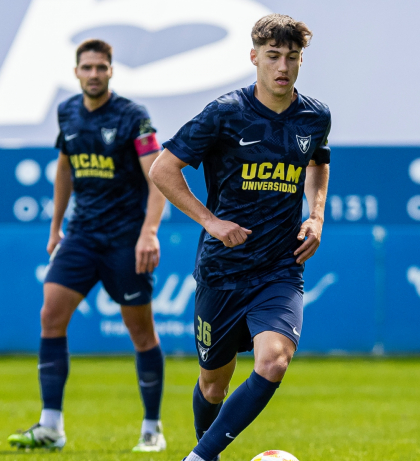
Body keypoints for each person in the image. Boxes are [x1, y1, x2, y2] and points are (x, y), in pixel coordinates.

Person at [149, 14, 330, 461]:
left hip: (279, 268)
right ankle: (205, 446)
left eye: (292, 57)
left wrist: (317, 217)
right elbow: (162, 169)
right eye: (273, 57)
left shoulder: (315, 116)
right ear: (254, 58)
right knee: (214, 383)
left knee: (274, 360)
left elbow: (318, 163)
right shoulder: (225, 113)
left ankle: (199, 458)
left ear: (301, 60)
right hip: (223, 270)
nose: (282, 66)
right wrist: (210, 221)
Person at [7, 39, 167, 453]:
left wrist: (149, 232)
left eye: (101, 67)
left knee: (142, 333)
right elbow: (65, 168)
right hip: (80, 236)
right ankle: (51, 426)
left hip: (125, 241)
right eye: (86, 67)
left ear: (111, 70)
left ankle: (152, 428)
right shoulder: (67, 112)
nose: (94, 74)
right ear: (76, 72)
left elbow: (159, 177)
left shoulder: (133, 116)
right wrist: (56, 227)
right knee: (50, 317)